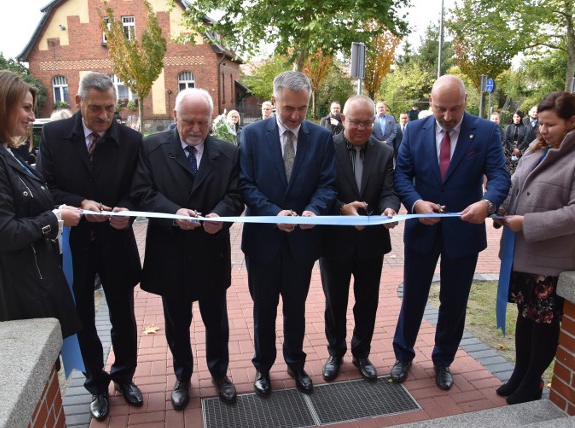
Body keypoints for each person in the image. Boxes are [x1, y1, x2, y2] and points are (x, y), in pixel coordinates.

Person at [390, 74, 510, 391]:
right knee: (413, 295)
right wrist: (415, 203)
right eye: (441, 108)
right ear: (431, 102)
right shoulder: (414, 130)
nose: (447, 116)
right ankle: (403, 354)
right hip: (422, 230)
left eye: (454, 109)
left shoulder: (485, 132)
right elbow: (401, 175)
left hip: (464, 231)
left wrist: (488, 202)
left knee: (454, 301)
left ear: (465, 102)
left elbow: (499, 175)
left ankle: (443, 360)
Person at [37, 72, 143, 421]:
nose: (103, 116)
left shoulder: (129, 140)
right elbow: (46, 189)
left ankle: (124, 377)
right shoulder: (53, 135)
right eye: (95, 108)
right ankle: (96, 384)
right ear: (78, 102)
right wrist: (81, 203)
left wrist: (127, 210)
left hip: (116, 241)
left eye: (110, 108)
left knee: (123, 318)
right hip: (75, 245)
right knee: (82, 317)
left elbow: (138, 189)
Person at [131, 88, 244, 410]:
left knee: (216, 321)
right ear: (175, 117)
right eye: (188, 122)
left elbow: (236, 195)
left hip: (211, 251)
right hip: (170, 253)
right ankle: (182, 376)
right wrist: (173, 214)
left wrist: (221, 216)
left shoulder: (227, 152)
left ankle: (220, 374)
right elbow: (142, 193)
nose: (195, 129)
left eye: (202, 122)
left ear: (212, 119)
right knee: (177, 323)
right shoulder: (151, 147)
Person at [494, 92, 575, 404]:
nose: (541, 130)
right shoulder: (538, 148)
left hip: (553, 260)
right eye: (539, 123)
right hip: (523, 253)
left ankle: (532, 382)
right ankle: (519, 374)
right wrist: (499, 207)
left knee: (543, 323)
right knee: (526, 317)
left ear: (572, 121)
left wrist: (527, 223)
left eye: (549, 124)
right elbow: (515, 185)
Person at [0, 70, 82, 340]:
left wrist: (69, 207)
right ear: (0, 106)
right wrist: (55, 219)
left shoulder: (2, 151)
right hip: (18, 287)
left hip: (34, 277)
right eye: (26, 108)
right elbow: (3, 233)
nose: (31, 116)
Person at [239, 71, 337, 397]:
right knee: (263, 309)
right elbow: (245, 185)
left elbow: (327, 184)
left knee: (296, 308)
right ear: (275, 99)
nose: (296, 116)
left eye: (303, 108)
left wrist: (315, 210)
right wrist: (272, 214)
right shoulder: (251, 136)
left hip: (302, 244)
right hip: (263, 243)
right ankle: (263, 369)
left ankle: (296, 364)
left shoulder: (321, 138)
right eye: (288, 108)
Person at [319, 95, 400, 382]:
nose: (362, 128)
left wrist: (390, 207)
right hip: (335, 241)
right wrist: (342, 208)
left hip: (371, 243)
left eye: (368, 122)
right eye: (356, 122)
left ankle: (361, 353)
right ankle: (335, 352)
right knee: (335, 302)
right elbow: (320, 190)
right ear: (344, 120)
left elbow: (389, 190)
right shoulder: (326, 147)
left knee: (367, 302)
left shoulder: (384, 151)